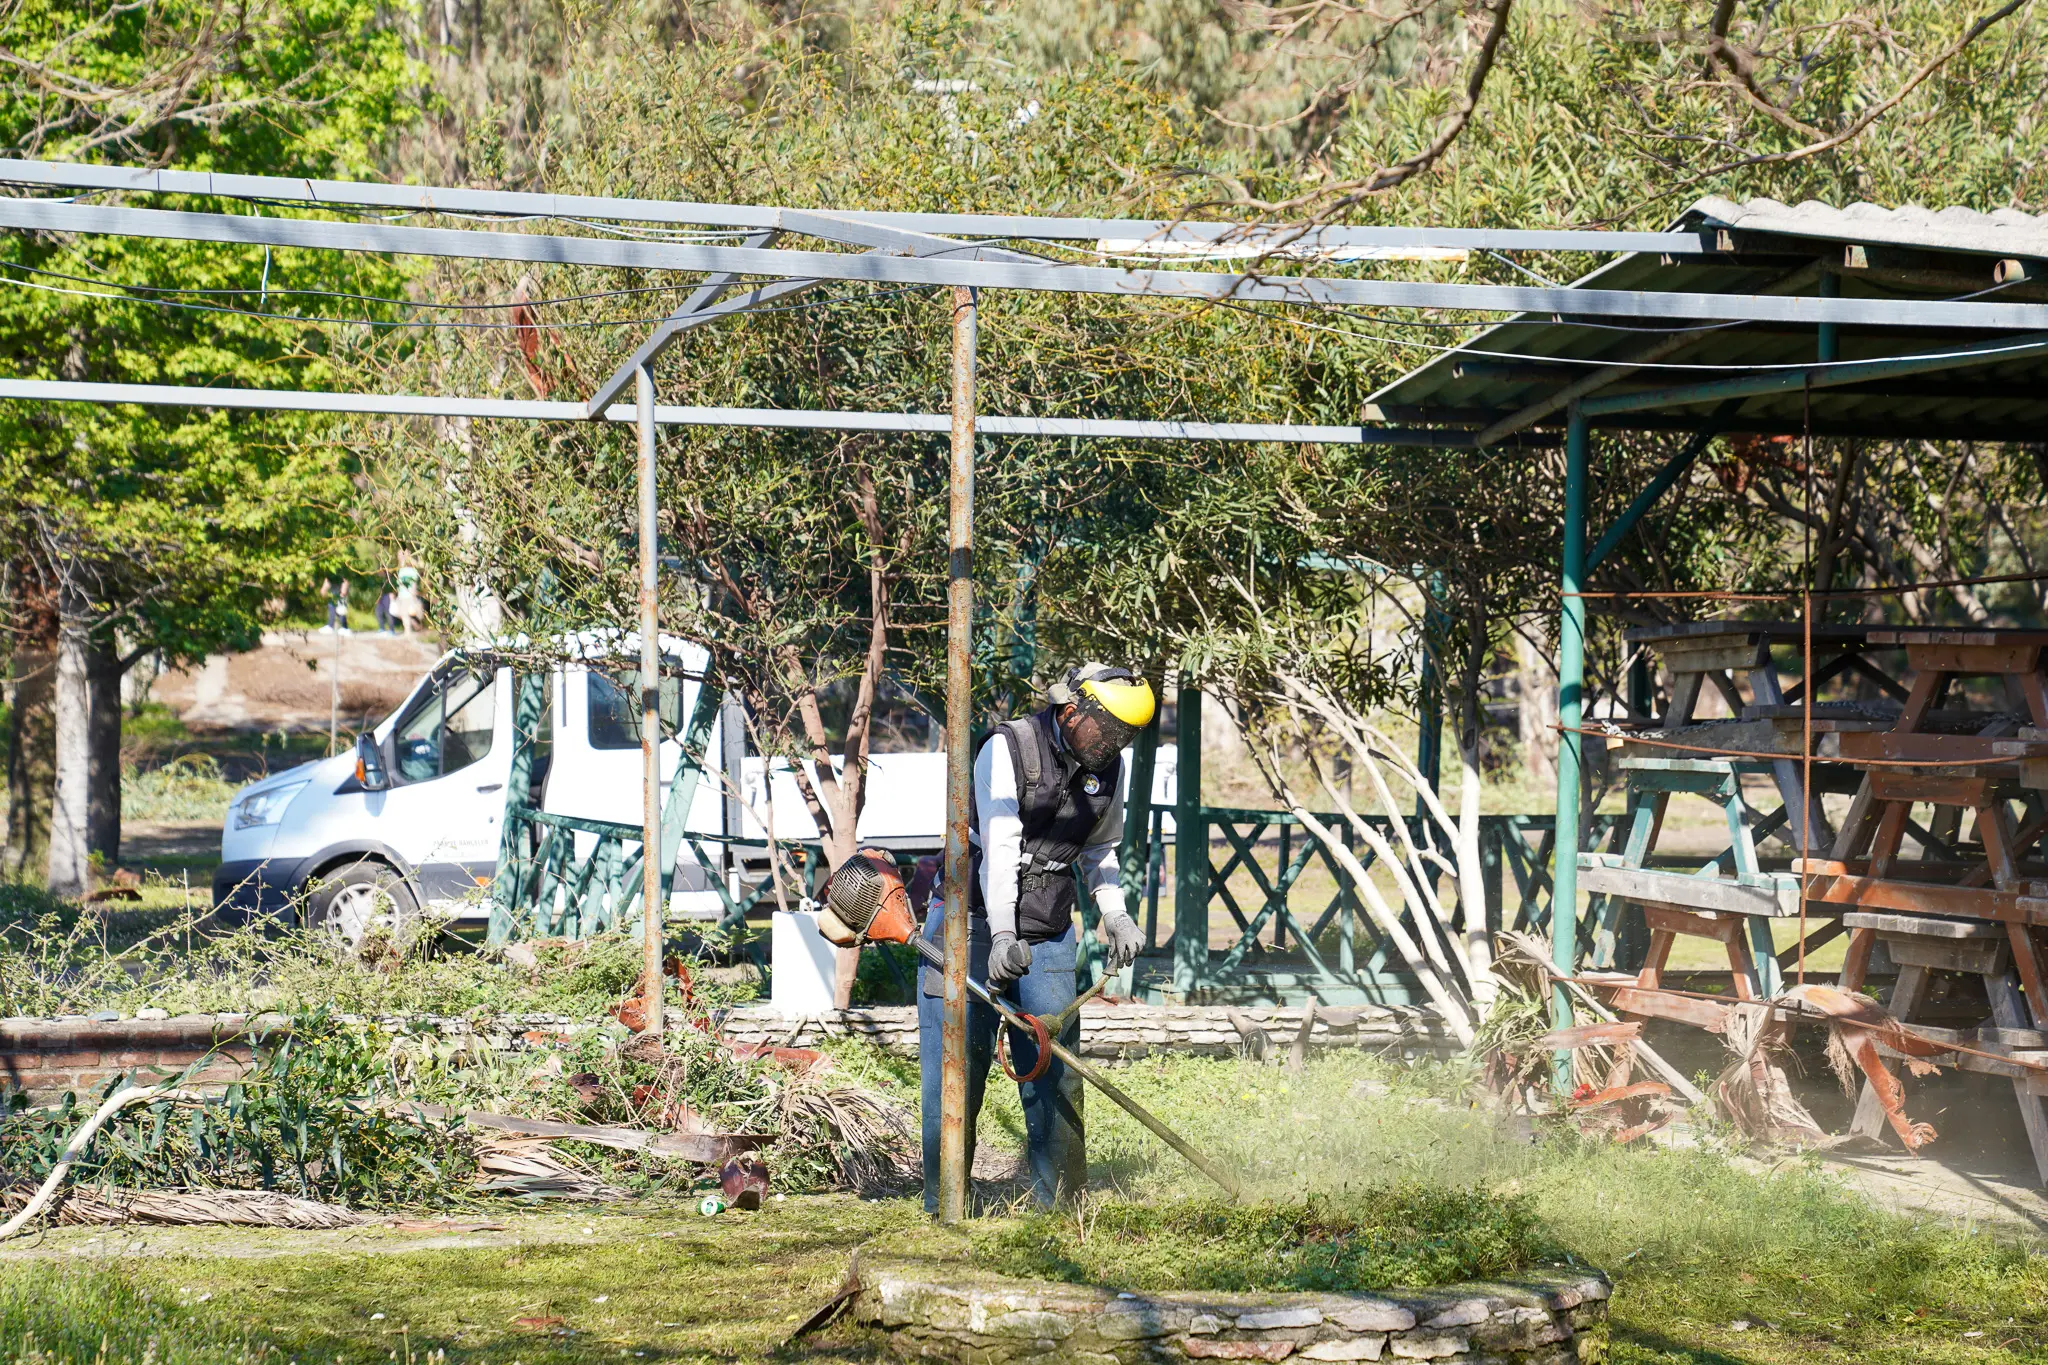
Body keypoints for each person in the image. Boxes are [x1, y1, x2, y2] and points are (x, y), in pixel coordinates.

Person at [917, 662, 1155, 1212]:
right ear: (1073, 711)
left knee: (1054, 1067)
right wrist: (1001, 936)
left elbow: (1099, 851)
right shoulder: (1007, 749)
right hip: (968, 924)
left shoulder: (1108, 768)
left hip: (1048, 928)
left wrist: (1115, 914)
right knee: (955, 1068)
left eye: (1125, 736)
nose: (1114, 745)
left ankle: (1061, 1206)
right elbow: (999, 847)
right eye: (1109, 730)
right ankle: (944, 1202)